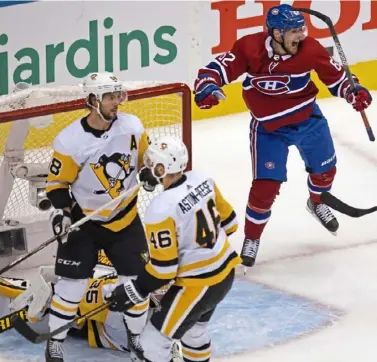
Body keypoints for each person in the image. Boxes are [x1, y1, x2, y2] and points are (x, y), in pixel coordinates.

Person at [193, 4, 373, 267]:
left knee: (325, 173)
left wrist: (353, 91)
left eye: (302, 29)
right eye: (294, 31)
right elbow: (215, 70)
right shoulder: (249, 48)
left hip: (307, 120)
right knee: (265, 189)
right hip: (268, 129)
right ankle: (252, 238)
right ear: (276, 33)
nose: (300, 36)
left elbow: (337, 79)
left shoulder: (310, 49)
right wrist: (207, 87)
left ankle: (316, 202)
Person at [44, 72, 157, 361]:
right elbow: (57, 185)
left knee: (136, 286)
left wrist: (148, 171)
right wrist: (62, 214)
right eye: (110, 97)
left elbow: (148, 157)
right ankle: (55, 342)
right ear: (93, 100)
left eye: (118, 95)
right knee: (71, 287)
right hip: (86, 221)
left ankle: (135, 337)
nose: (117, 102)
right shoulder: (69, 141)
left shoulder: (132, 126)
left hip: (125, 217)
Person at [105, 135, 241, 362]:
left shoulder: (161, 209)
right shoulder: (203, 178)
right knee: (194, 334)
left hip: (198, 285)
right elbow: (231, 224)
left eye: (151, 165)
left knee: (151, 345)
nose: (146, 169)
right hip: (225, 273)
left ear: (161, 168)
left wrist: (133, 290)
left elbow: (164, 270)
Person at [0, 263, 182, 361]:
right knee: (52, 296)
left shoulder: (175, 320)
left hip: (99, 331)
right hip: (97, 310)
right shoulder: (121, 296)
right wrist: (52, 297)